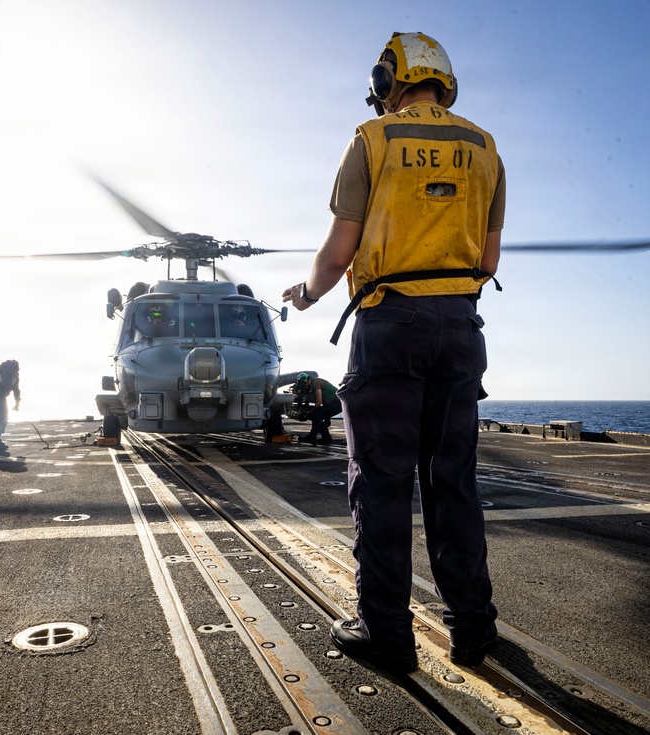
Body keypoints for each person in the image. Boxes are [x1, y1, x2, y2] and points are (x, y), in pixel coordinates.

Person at [281, 32, 504, 673]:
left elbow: (339, 251)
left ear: (388, 79)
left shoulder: (371, 139)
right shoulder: (485, 147)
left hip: (388, 323)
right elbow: (488, 261)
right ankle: (474, 629)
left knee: (380, 483)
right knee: (452, 482)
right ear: (445, 80)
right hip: (461, 327)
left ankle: (386, 633)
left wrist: (309, 293)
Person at [291, 373, 342, 445]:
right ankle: (326, 438)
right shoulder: (313, 384)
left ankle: (312, 437)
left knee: (316, 414)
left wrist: (311, 411)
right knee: (318, 415)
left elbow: (319, 402)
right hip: (335, 403)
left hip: (337, 403)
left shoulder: (316, 383)